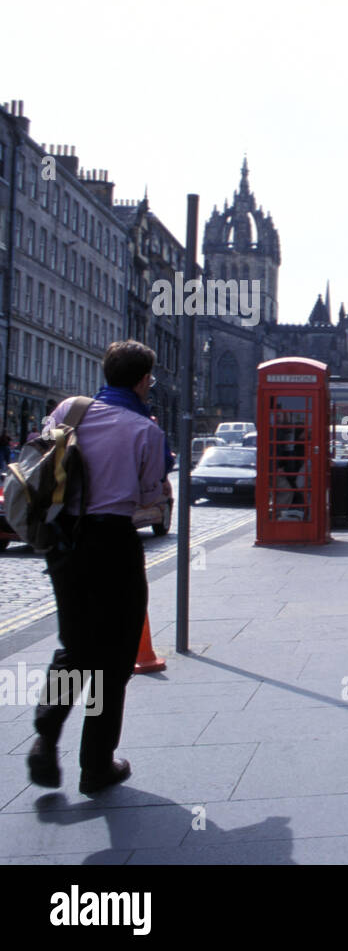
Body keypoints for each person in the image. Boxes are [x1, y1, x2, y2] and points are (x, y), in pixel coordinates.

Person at [27, 341, 168, 796]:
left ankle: (46, 739)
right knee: (113, 656)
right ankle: (96, 765)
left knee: (74, 644)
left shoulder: (69, 409)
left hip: (64, 542)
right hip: (113, 545)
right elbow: (150, 501)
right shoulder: (146, 432)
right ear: (144, 380)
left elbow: (42, 465)